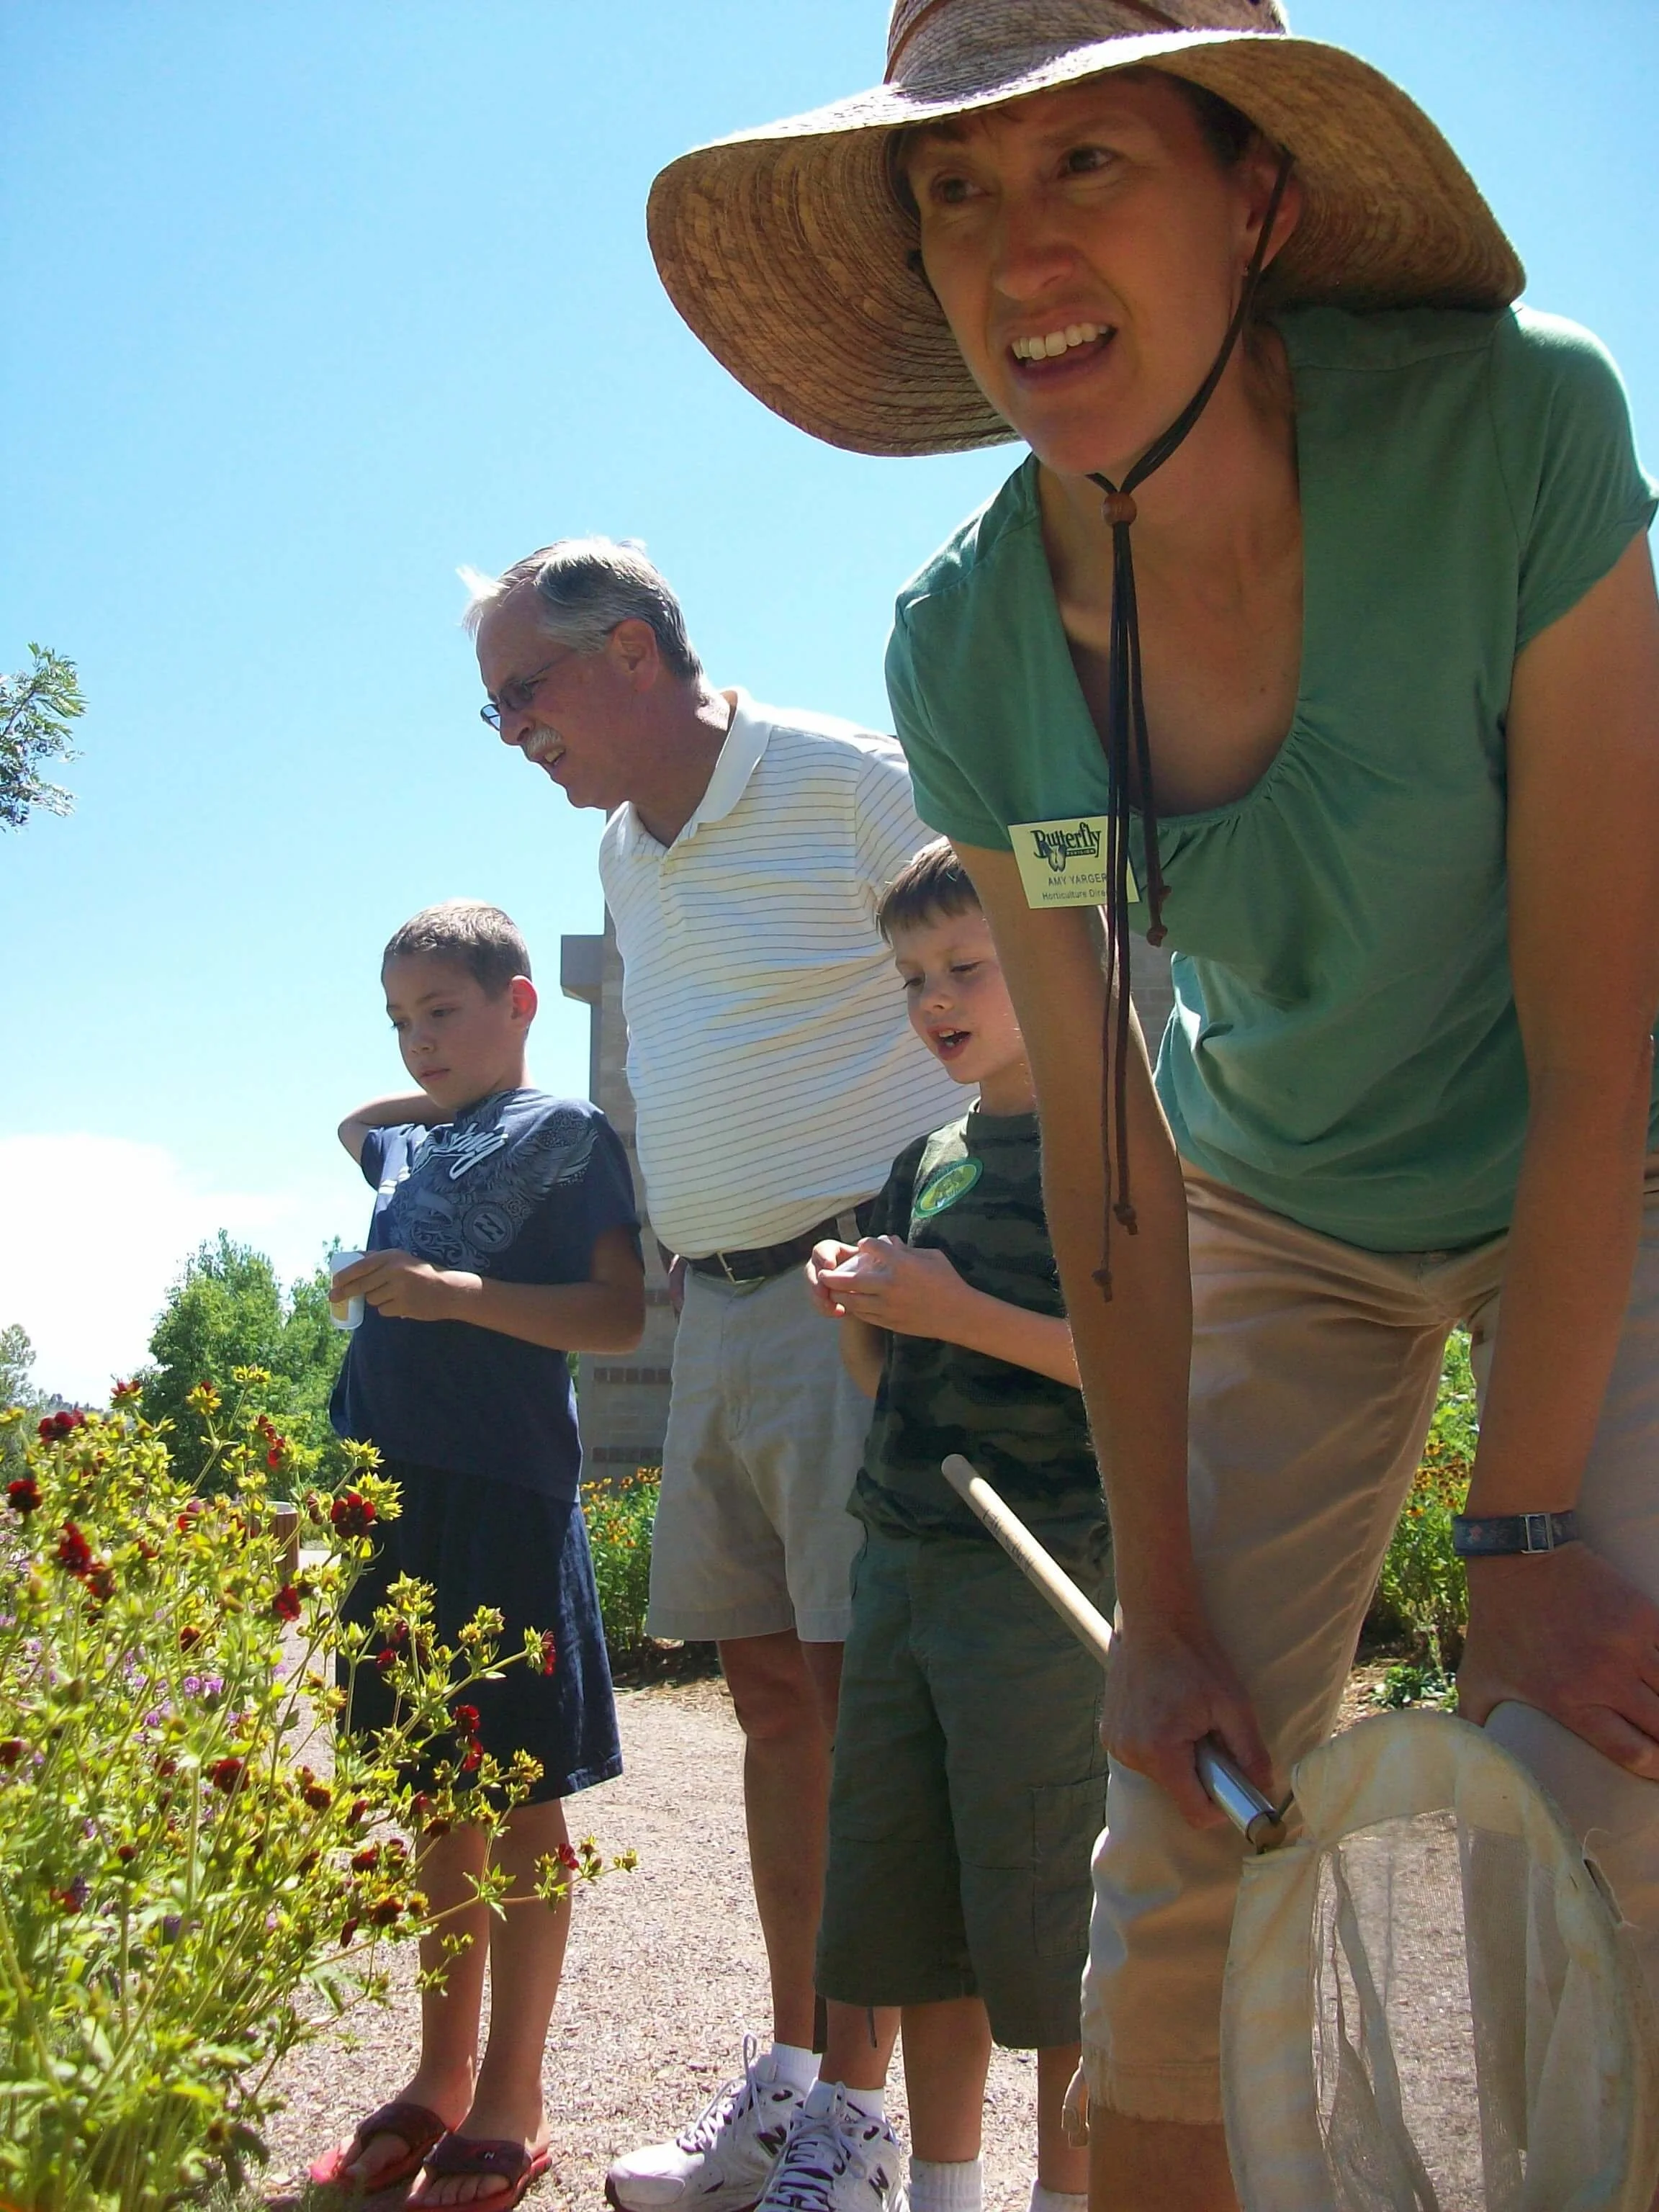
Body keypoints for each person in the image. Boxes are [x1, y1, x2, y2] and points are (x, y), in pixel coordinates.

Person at [645, 6, 1659, 2208]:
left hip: (1608, 1164)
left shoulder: (1522, 431)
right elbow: (1106, 1160)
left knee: (1613, 1776)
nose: (1018, 251)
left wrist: (1527, 1537)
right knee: (1181, 1832)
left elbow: (1602, 1046)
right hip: (1280, 1201)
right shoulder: (972, 646)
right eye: (955, 190)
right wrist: (1171, 1600)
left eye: (1089, 163)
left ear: (1257, 198)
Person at [463, 541, 962, 2210]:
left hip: (866, 1293)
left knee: (862, 1700)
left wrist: (972, 1247)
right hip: (726, 1315)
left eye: (521, 690)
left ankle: (869, 2136)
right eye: (493, 703)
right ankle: (801, 2077)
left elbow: (1021, 973)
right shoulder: (623, 851)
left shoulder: (851, 786)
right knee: (769, 1703)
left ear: (630, 655)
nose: (509, 726)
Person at [760, 837, 1107, 2212]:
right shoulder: (929, 1158)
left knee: (1048, 1919)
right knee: (921, 1919)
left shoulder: (1107, 1144)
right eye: (914, 976)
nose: (936, 999)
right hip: (901, 1558)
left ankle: (1066, 2194)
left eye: (966, 965)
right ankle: (944, 2190)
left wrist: (955, 1308)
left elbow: (1131, 1356)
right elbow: (889, 1383)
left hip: (1037, 1572)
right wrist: (862, 1313)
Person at [310, 899, 645, 2211]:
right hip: (389, 1496)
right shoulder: (413, 1139)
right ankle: (436, 2082)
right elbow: (360, 1126)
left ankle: (513, 2093)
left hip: (507, 1495)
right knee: (430, 1796)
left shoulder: (566, 1135)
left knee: (514, 1791)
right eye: (398, 1019)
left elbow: (618, 1315)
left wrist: (454, 1295)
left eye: (441, 1011)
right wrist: (420, 1090)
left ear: (520, 1004)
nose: (415, 1040)